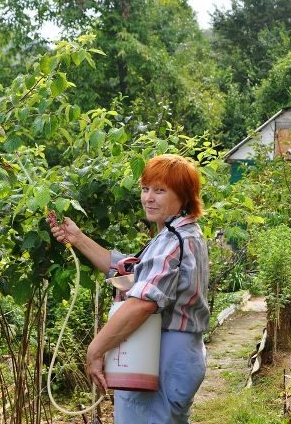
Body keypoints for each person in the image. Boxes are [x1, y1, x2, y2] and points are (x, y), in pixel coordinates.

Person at [50, 154, 210, 424]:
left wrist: (96, 349)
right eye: (145, 189)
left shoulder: (173, 240)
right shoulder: (182, 234)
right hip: (175, 351)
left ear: (183, 196)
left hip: (163, 353)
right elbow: (129, 271)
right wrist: (76, 238)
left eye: (160, 191)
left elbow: (143, 302)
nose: (149, 198)